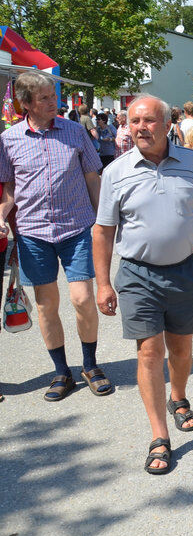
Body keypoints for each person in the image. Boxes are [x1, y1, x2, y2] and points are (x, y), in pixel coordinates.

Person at [93, 95, 193, 475]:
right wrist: (103, 284)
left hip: (187, 271)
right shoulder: (115, 171)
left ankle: (178, 398)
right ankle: (159, 436)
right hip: (138, 274)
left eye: (149, 121)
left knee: (181, 348)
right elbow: (103, 231)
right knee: (149, 352)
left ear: (168, 125)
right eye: (134, 121)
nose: (140, 128)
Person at [0, 71, 112, 401]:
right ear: (26, 104)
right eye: (46, 98)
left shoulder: (75, 131)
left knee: (82, 298)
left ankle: (90, 365)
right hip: (33, 234)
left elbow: (93, 178)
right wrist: (2, 217)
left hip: (77, 228)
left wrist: (104, 221)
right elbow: (9, 189)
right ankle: (61, 371)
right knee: (47, 306)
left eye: (54, 95)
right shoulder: (9, 140)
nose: (55, 102)